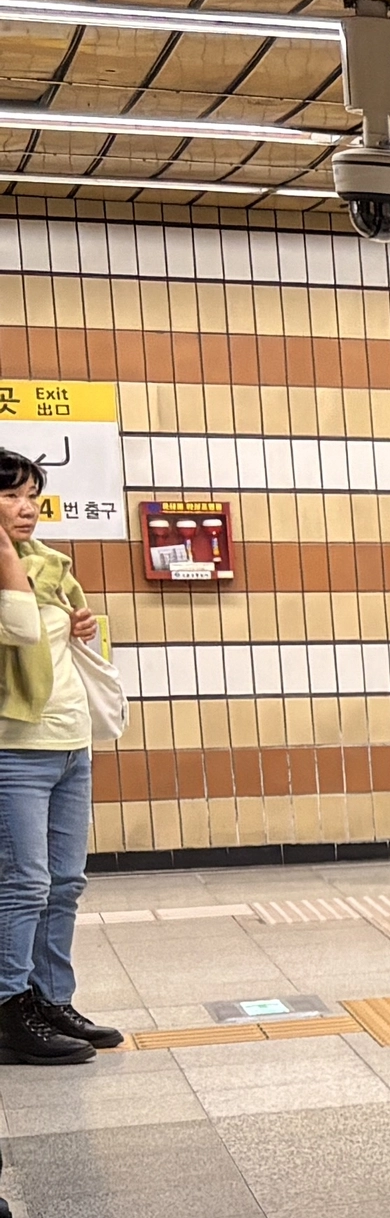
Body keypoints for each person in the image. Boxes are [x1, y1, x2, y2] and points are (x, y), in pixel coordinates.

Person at [0, 450, 119, 1065]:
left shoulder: (51, 566)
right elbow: (18, 629)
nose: (27, 508)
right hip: (14, 749)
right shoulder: (14, 570)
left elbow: (83, 651)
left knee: (65, 883)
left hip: (70, 742)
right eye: (12, 496)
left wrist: (87, 626)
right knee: (23, 884)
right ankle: (8, 1009)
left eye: (33, 495)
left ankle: (50, 999)